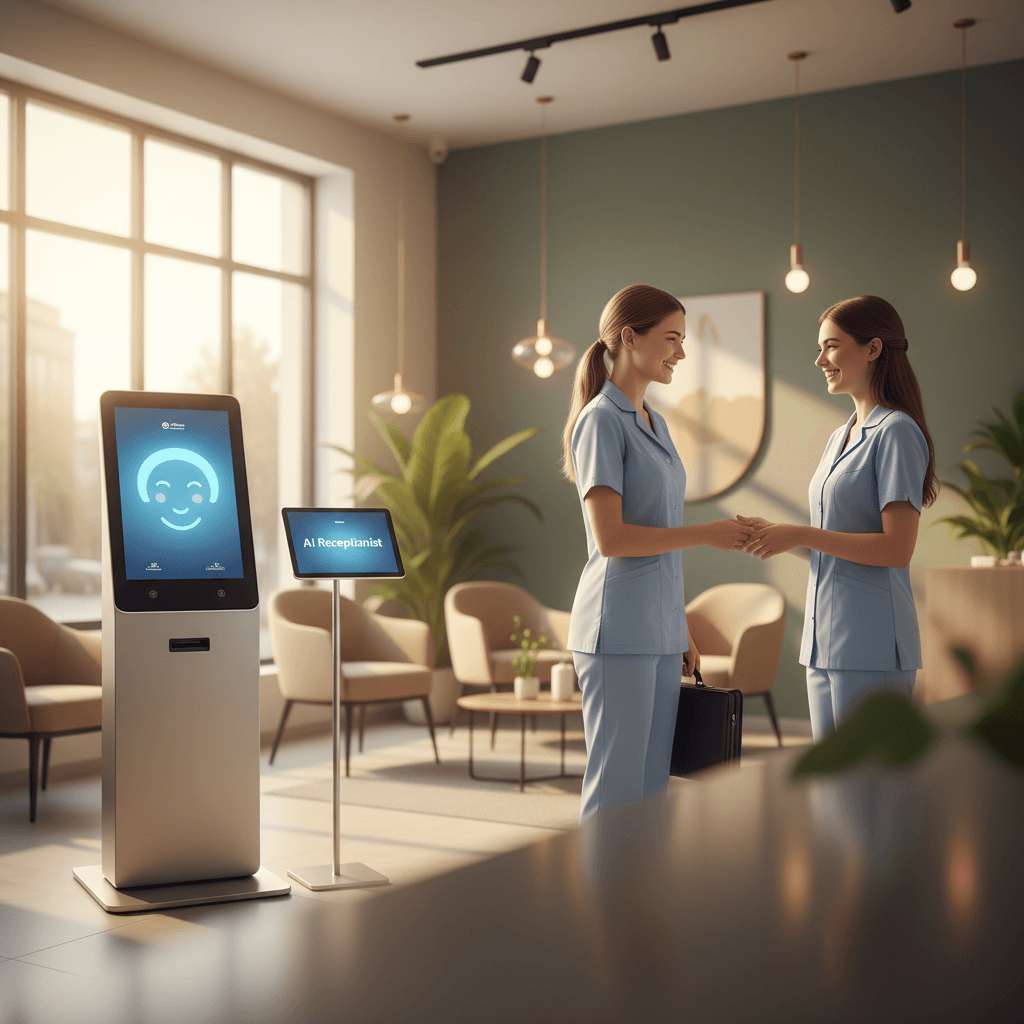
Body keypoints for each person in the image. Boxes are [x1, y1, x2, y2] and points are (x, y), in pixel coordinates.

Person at [562, 284, 754, 822]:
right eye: (671, 338)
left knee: (650, 787)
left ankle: (636, 901)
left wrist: (682, 629)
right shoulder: (600, 420)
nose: (682, 353)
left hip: (660, 631)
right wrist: (707, 533)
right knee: (616, 784)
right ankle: (598, 899)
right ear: (629, 337)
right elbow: (613, 539)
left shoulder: (655, 423)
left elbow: (659, 534)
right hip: (616, 627)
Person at [739, 295, 937, 743]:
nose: (819, 359)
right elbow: (837, 539)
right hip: (823, 642)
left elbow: (896, 548)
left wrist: (801, 532)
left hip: (872, 645)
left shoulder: (897, 432)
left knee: (870, 794)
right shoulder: (839, 435)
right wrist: (782, 537)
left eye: (831, 346)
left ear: (873, 349)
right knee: (832, 796)